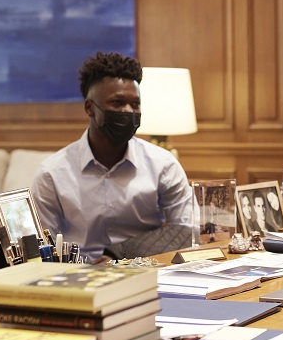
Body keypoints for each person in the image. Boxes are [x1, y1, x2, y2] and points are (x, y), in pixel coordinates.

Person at [31, 52, 193, 261]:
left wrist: (120, 257)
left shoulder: (163, 165)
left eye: (135, 104)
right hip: (79, 274)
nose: (128, 111)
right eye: (117, 103)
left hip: (145, 269)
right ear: (90, 108)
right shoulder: (52, 174)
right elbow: (42, 251)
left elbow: (187, 231)